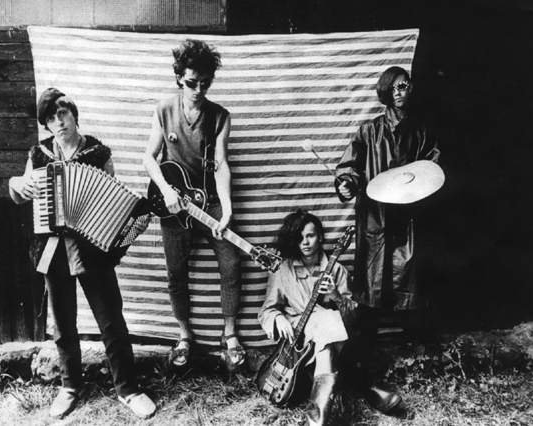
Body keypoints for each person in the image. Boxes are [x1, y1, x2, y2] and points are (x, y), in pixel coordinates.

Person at [8, 88, 156, 420]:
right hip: (52, 248)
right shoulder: (39, 155)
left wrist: (126, 223)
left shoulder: (97, 153)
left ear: (74, 115)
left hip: (92, 247)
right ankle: (70, 386)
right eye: (51, 118)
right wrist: (17, 183)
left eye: (63, 114)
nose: (58, 122)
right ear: (46, 124)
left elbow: (113, 201)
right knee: (63, 323)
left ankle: (128, 389)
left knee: (111, 320)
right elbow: (21, 191)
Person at [334, 66, 441, 413]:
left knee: (408, 283)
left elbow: (432, 166)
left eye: (405, 85)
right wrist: (347, 183)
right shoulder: (368, 131)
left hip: (407, 220)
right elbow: (349, 167)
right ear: (384, 92)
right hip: (376, 220)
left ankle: (414, 356)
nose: (400, 91)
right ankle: (360, 365)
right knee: (371, 291)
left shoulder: (421, 131)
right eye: (394, 87)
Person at [142, 39, 245, 373]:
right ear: (178, 78)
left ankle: (229, 334)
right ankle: (184, 336)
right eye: (191, 83)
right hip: (174, 203)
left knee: (231, 263)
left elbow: (221, 164)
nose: (198, 90)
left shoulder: (220, 117)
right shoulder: (163, 110)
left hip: (209, 201)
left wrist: (226, 209)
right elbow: (149, 157)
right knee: (176, 272)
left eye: (205, 83)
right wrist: (165, 192)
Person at [258, 210, 355, 425]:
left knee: (327, 327)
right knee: (328, 324)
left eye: (310, 236)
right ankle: (323, 410)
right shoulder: (282, 269)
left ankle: (317, 418)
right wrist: (279, 318)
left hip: (327, 337)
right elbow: (266, 311)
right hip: (297, 340)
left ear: (320, 237)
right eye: (300, 237)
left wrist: (336, 296)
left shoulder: (337, 270)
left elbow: (353, 317)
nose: (305, 242)